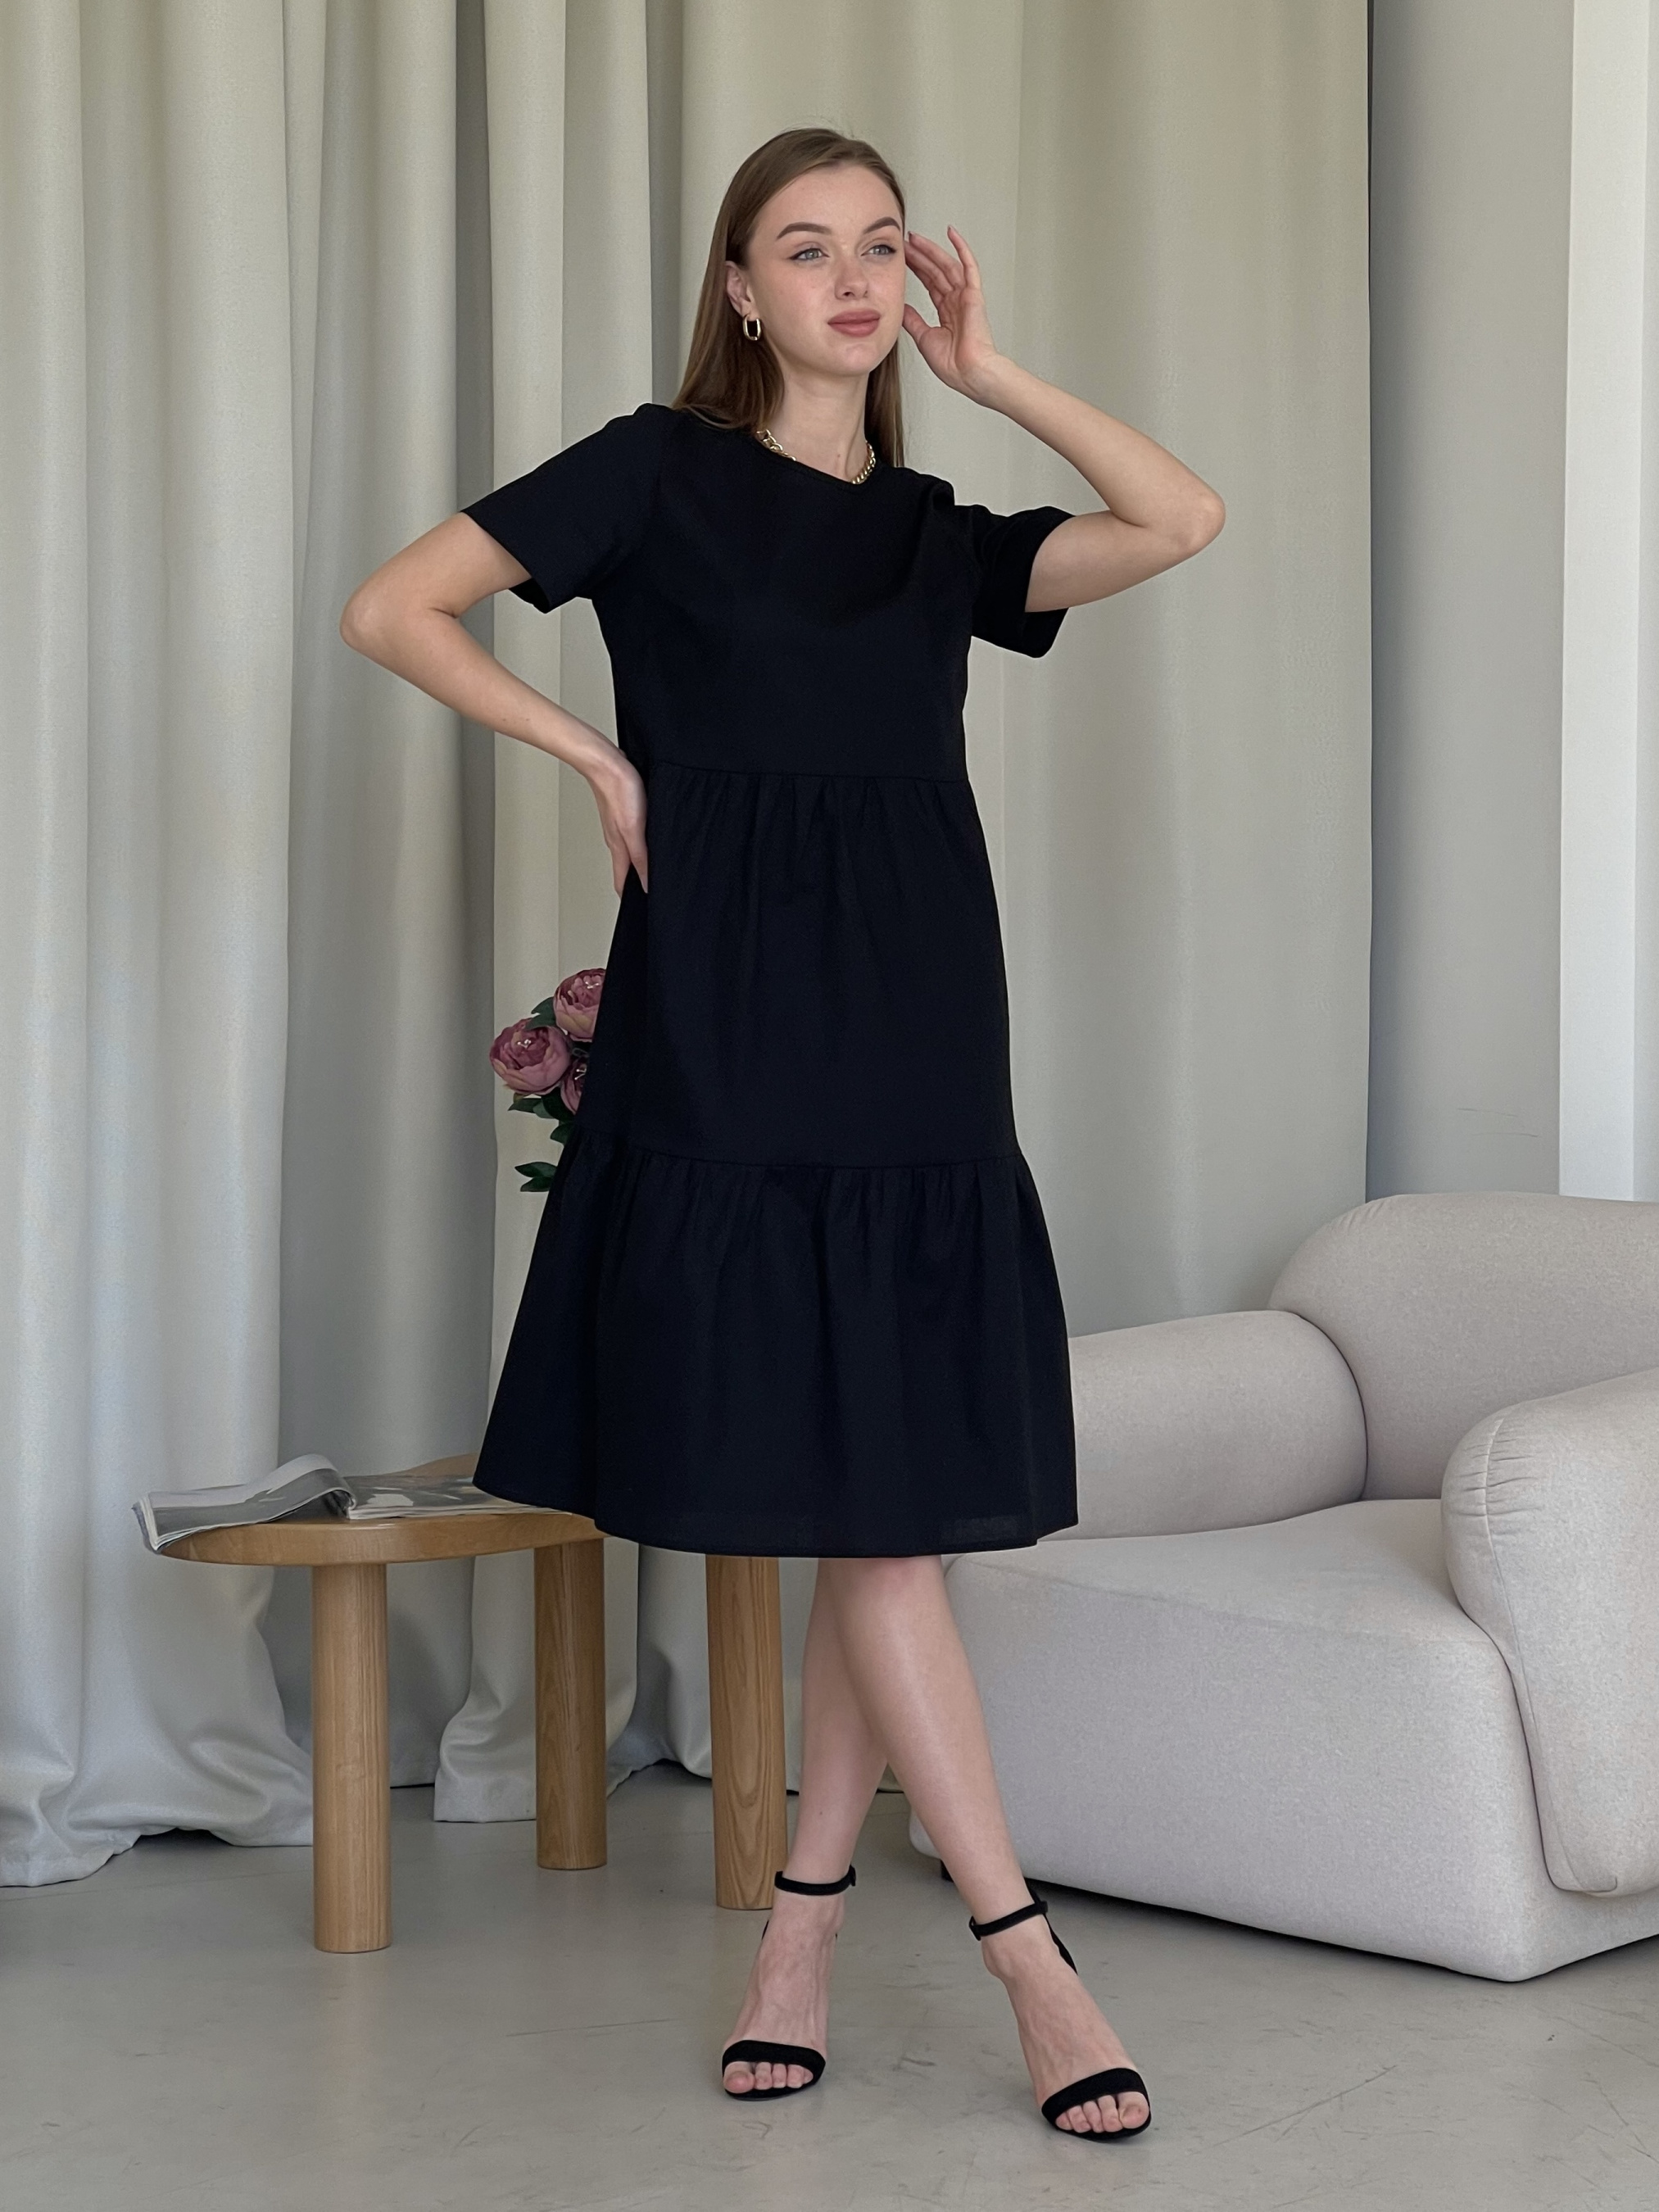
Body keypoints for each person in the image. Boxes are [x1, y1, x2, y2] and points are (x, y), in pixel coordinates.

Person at [341, 125, 1222, 2142]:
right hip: (733, 1010)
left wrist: (990, 373)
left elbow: (1177, 515)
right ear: (736, 289)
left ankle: (799, 1931)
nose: (847, 280)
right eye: (801, 248)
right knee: (876, 1511)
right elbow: (396, 608)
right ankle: (1024, 1952)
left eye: (877, 246)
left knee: (873, 1493)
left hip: (919, 1017)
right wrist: (592, 754)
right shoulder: (650, 472)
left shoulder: (930, 531)